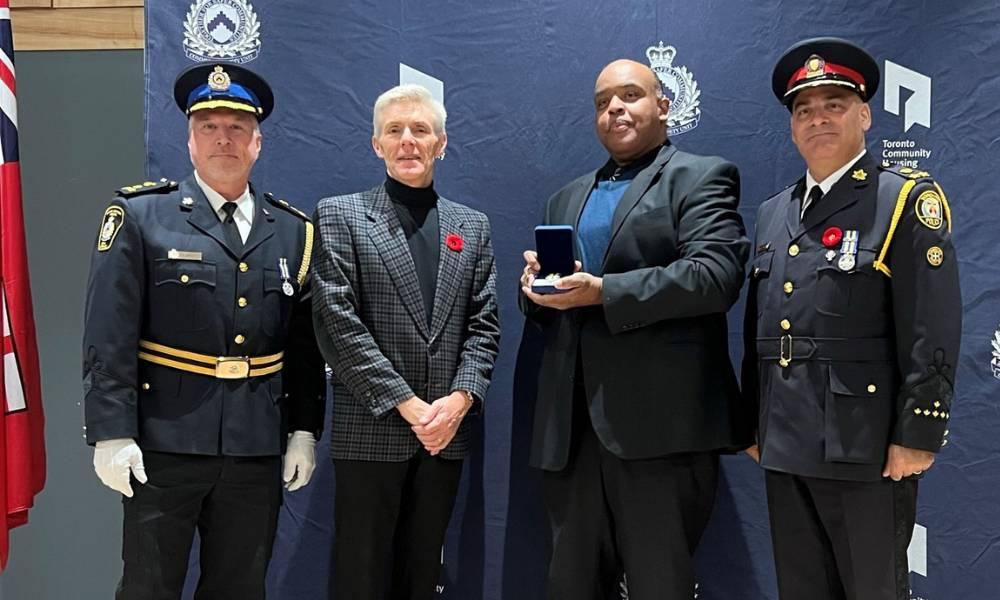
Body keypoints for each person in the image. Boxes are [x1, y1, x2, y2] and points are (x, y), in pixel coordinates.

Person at [82, 62, 325, 600]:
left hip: (254, 450)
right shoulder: (141, 216)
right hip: (162, 442)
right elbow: (109, 332)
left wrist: (304, 430)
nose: (224, 139)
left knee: (240, 588)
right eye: (209, 126)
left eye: (237, 128)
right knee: (149, 587)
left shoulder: (293, 231)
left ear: (257, 142)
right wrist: (111, 431)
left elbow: (305, 347)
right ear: (190, 140)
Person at [519, 58, 751, 600]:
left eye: (629, 96)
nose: (614, 109)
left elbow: (714, 276)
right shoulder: (565, 197)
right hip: (571, 434)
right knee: (570, 586)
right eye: (602, 103)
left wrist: (604, 291)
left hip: (660, 433)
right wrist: (534, 289)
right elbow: (550, 305)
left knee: (659, 586)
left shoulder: (701, 176)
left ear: (663, 106)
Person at [742, 37, 961, 600]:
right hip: (785, 442)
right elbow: (759, 333)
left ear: (863, 114)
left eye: (833, 105)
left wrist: (918, 431)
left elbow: (931, 327)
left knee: (872, 589)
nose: (817, 119)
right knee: (802, 588)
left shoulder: (905, 200)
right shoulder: (773, 213)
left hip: (864, 446)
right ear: (792, 128)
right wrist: (753, 422)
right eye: (803, 110)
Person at [311, 83, 500, 600]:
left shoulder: (472, 227)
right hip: (373, 431)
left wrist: (458, 402)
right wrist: (412, 408)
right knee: (361, 578)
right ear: (377, 145)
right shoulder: (340, 214)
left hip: (444, 436)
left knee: (423, 576)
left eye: (420, 130)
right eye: (395, 130)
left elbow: (484, 328)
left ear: (442, 142)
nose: (408, 141)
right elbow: (336, 322)